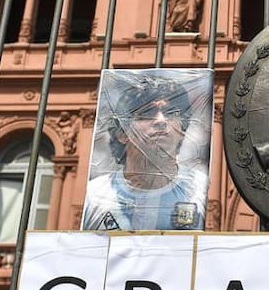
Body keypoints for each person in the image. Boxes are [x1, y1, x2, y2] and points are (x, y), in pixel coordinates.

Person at [81, 75, 209, 231]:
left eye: (170, 113)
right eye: (147, 113)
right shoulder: (94, 196)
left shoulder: (202, 190)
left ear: (182, 130)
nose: (161, 121)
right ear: (122, 133)